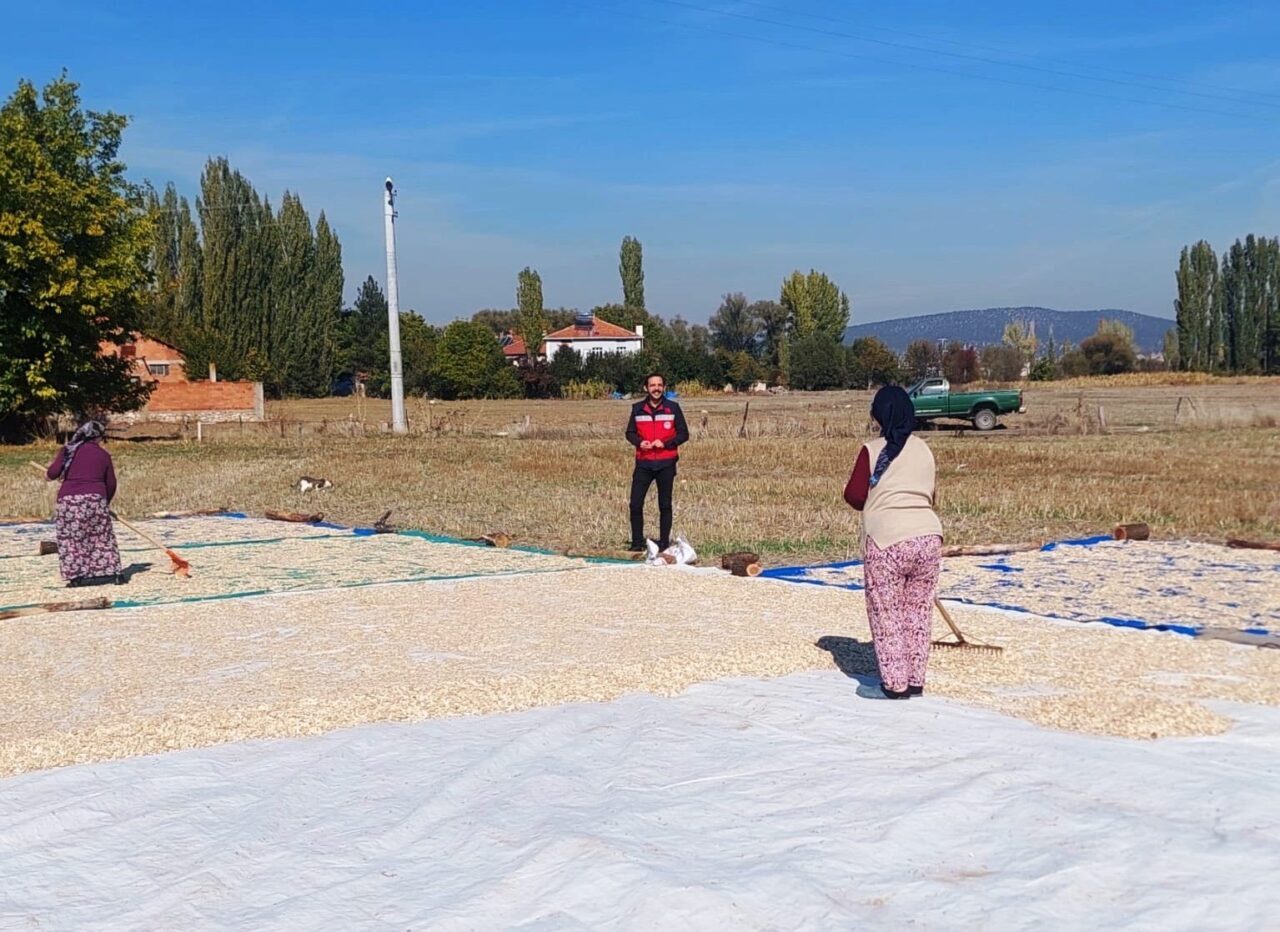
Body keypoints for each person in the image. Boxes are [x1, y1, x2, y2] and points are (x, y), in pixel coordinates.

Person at [843, 386, 943, 699]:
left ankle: (894, 686)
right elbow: (931, 493)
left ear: (880, 416)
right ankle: (915, 681)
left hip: (887, 540)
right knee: (918, 610)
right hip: (929, 537)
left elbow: (855, 495)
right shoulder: (924, 449)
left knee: (886, 612)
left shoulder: (872, 451)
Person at [45, 419, 125, 587]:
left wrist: (48, 475)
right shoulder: (103, 455)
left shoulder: (68, 450)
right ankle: (114, 573)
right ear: (98, 437)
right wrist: (104, 503)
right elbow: (111, 483)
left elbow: (53, 473)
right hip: (95, 500)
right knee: (102, 536)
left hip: (69, 502)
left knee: (72, 538)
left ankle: (76, 576)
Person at [625, 373, 689, 552]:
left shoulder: (673, 408)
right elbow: (629, 433)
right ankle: (637, 544)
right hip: (643, 463)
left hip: (666, 463)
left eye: (659, 385)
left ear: (664, 387)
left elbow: (684, 434)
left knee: (665, 505)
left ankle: (664, 544)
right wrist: (639, 442)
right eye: (652, 385)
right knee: (635, 504)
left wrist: (666, 443)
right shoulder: (637, 409)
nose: (656, 388)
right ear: (646, 388)